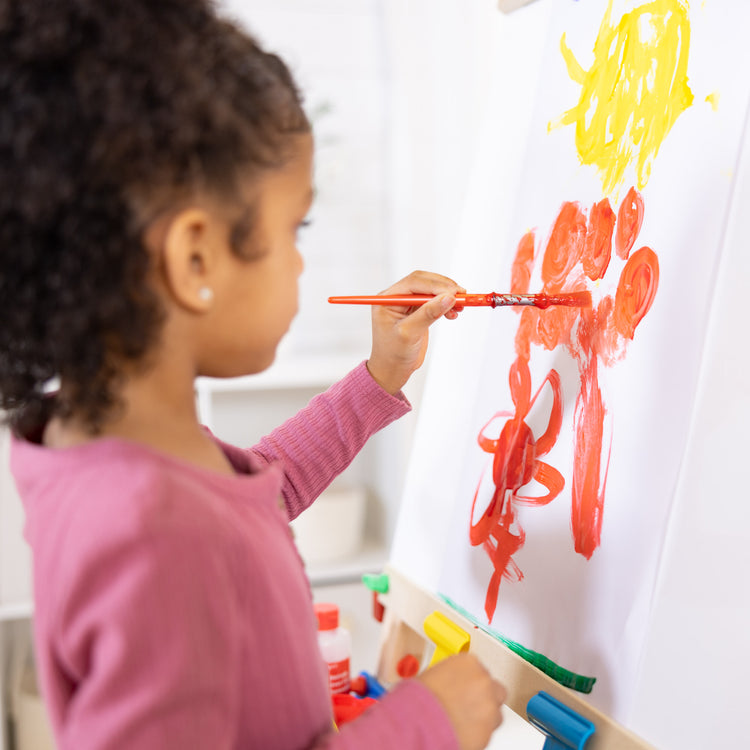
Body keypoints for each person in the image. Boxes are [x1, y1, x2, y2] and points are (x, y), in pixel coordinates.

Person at [0, 1, 507, 748]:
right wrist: (422, 728)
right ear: (195, 258)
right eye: (292, 229)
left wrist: (377, 377)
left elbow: (256, 496)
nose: (301, 260)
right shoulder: (153, 536)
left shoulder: (119, 456)